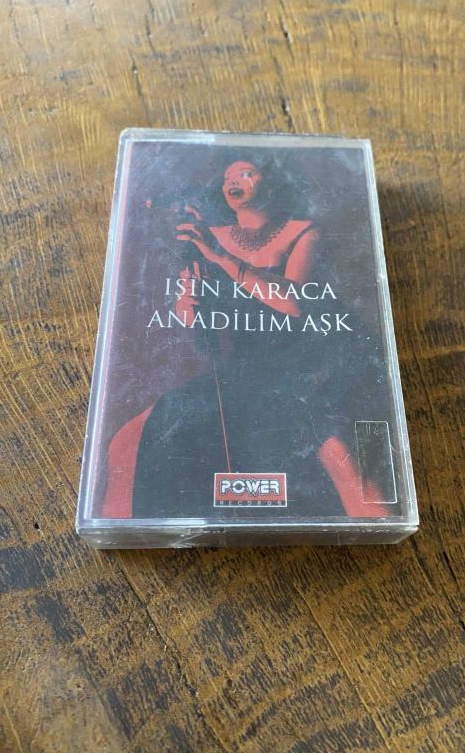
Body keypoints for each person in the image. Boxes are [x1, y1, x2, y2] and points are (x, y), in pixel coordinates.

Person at [104, 158, 389, 519]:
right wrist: (187, 301)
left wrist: (221, 257)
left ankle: (377, 526)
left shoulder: (303, 232)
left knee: (340, 453)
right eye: (227, 177)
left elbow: (293, 302)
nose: (233, 181)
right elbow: (190, 318)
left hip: (308, 369)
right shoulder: (209, 236)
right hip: (241, 373)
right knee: (127, 441)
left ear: (273, 181)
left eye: (246, 173)